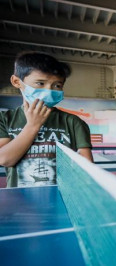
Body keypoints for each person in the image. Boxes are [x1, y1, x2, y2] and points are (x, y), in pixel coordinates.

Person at [0, 52, 93, 188]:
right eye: (40, 83)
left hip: (63, 195)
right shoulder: (5, 119)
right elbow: (4, 159)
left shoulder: (73, 122)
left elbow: (86, 169)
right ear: (17, 82)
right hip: (20, 197)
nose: (49, 90)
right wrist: (33, 126)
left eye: (57, 85)